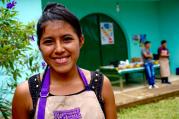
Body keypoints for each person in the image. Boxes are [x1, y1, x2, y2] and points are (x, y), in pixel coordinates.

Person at [12, 3, 117, 119]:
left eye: (67, 39)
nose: (59, 49)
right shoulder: (25, 93)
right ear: (39, 46)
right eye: (48, 41)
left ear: (81, 41)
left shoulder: (101, 85)